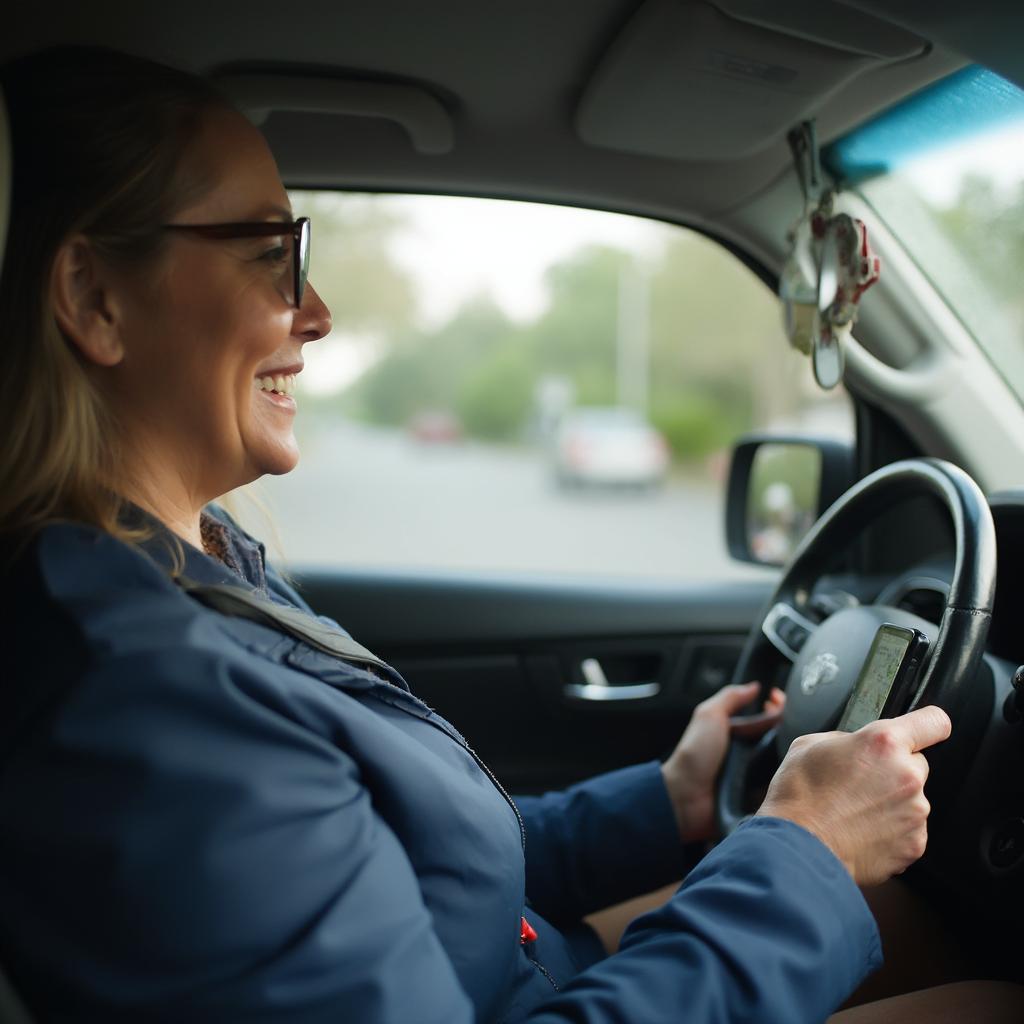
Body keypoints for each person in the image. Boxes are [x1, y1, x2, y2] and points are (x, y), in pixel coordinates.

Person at [0, 46, 1016, 1024]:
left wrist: (670, 798)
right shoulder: (145, 715)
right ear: (95, 298)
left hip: (512, 965)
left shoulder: (191, 567)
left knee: (897, 917)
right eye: (271, 254)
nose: (314, 310)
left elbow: (421, 855)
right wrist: (802, 843)